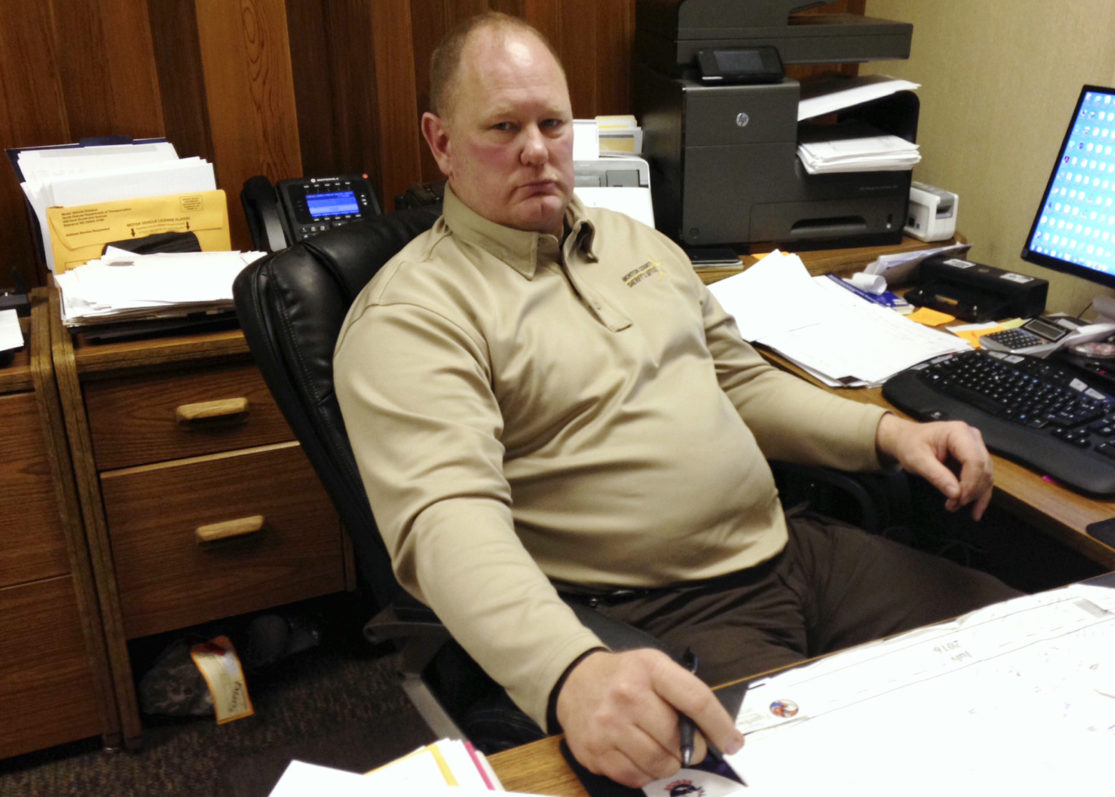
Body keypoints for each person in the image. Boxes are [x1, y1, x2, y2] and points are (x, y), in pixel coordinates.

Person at [334, 12, 1018, 789]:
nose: (535, 149)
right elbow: (446, 522)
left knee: (1029, 647)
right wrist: (572, 671)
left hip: (795, 553)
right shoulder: (414, 315)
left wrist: (889, 434)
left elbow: (743, 383)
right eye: (501, 126)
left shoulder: (638, 245)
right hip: (659, 614)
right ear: (441, 143)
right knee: (834, 775)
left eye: (552, 123)